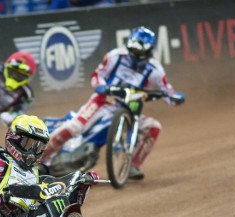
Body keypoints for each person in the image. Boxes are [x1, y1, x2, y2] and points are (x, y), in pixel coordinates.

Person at [41, 26, 185, 180]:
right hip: (102, 101)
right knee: (74, 127)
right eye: (132, 50)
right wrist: (101, 86)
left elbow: (167, 91)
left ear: (148, 52)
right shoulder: (115, 56)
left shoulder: (155, 70)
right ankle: (39, 159)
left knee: (154, 127)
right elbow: (97, 75)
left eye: (138, 52)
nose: (133, 55)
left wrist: (175, 97)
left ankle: (133, 166)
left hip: (130, 109)